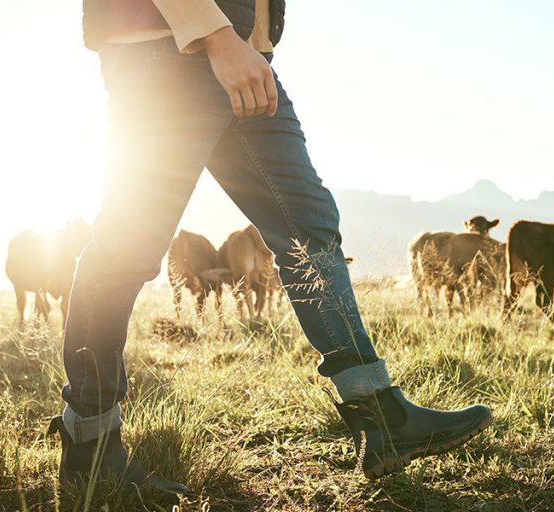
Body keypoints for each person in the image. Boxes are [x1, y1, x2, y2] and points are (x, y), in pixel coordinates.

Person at [49, 0, 493, 492]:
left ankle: (378, 416)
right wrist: (215, 36)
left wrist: (246, 43)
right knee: (127, 249)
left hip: (245, 55)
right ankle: (89, 441)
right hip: (168, 49)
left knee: (310, 225)